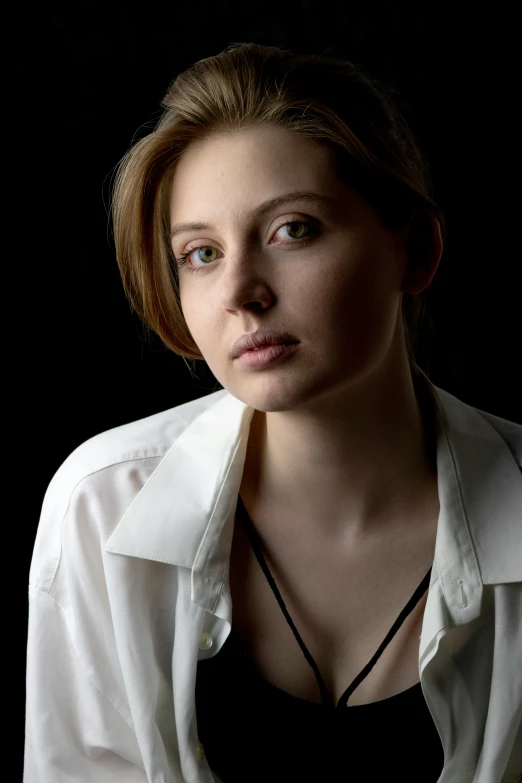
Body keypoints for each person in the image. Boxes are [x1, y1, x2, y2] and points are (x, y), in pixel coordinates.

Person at [24, 42, 522, 783]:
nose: (241, 291)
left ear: (414, 251)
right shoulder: (102, 505)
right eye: (200, 253)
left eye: (293, 230)